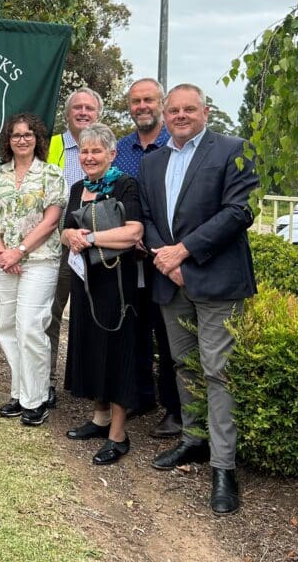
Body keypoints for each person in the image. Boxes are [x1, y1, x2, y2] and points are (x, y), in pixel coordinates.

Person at [139, 83, 258, 515]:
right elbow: (148, 218)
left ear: (205, 111)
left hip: (217, 280)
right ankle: (193, 440)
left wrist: (184, 252)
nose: (181, 115)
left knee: (218, 371)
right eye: (174, 110)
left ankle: (224, 467)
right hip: (171, 280)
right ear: (165, 115)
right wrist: (167, 261)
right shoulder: (154, 161)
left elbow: (239, 211)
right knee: (182, 364)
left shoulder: (232, 149)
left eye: (190, 108)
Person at [60, 124, 144, 465]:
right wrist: (70, 237)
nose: (89, 157)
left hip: (118, 285)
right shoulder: (78, 187)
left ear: (111, 154)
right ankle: (99, 417)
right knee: (91, 347)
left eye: (97, 151)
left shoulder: (125, 185)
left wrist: (91, 239)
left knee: (118, 351)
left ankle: (118, 435)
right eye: (84, 151)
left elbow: (133, 232)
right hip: (86, 282)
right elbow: (66, 228)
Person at [0, 113, 67, 427]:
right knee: (8, 328)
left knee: (31, 327)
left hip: (39, 260)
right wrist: (4, 252)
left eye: (28, 134)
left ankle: (37, 398)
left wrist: (19, 251)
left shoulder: (51, 174)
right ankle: (19, 394)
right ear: (9, 140)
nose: (22, 139)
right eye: (16, 135)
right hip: (1, 260)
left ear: (37, 139)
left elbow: (51, 220)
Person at [113, 78, 183, 438]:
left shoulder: (175, 146)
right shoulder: (121, 148)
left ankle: (175, 408)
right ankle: (139, 396)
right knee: (132, 328)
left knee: (168, 334)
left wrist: (153, 244)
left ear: (161, 103)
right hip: (125, 257)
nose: (142, 106)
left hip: (163, 256)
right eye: (135, 101)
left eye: (148, 100)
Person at [45, 86, 102, 409]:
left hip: (98, 248)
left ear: (98, 114)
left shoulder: (108, 148)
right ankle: (47, 381)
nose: (82, 112)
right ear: (67, 114)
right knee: (51, 315)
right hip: (56, 246)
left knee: (93, 316)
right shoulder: (51, 145)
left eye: (89, 108)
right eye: (76, 107)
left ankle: (91, 383)